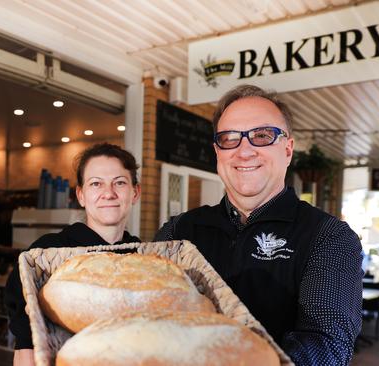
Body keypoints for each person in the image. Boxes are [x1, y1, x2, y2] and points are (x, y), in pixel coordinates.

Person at [155, 85, 363, 365]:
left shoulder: (327, 237)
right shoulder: (178, 231)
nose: (245, 151)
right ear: (217, 152)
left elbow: (327, 344)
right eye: (230, 138)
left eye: (262, 136)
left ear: (288, 150)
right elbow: (150, 313)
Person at [4, 143, 141, 366]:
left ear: (135, 192)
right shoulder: (47, 253)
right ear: (81, 195)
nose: (108, 193)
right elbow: (25, 338)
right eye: (96, 184)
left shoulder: (144, 258)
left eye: (120, 183)